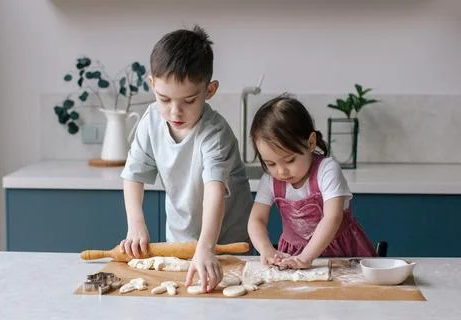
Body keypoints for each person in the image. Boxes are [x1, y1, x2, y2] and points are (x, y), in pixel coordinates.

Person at [119, 25, 253, 292]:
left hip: (227, 242)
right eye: (164, 98)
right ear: (151, 85)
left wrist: (206, 247)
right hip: (180, 239)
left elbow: (214, 190)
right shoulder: (150, 121)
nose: (174, 111)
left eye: (189, 101)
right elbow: (133, 175)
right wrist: (136, 224)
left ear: (210, 90)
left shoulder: (215, 133)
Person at [248, 95, 376, 269]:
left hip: (341, 254)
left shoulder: (327, 170)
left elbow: (333, 217)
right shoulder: (270, 180)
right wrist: (265, 248)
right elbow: (257, 219)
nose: (281, 171)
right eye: (270, 163)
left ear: (310, 143)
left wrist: (305, 258)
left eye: (290, 160)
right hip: (294, 255)